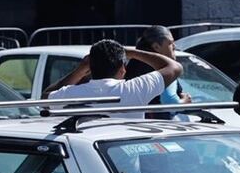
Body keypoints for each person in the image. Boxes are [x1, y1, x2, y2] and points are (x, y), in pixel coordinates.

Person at [44, 39, 182, 119]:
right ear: (122, 69)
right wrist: (132, 53)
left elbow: (45, 98)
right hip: (125, 168)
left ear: (89, 68)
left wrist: (80, 70)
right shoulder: (134, 90)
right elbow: (174, 67)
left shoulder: (70, 94)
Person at [126, 25, 192, 106]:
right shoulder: (166, 69)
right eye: (170, 43)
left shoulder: (134, 65)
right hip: (158, 117)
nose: (174, 46)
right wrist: (185, 101)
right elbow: (170, 102)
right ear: (156, 47)